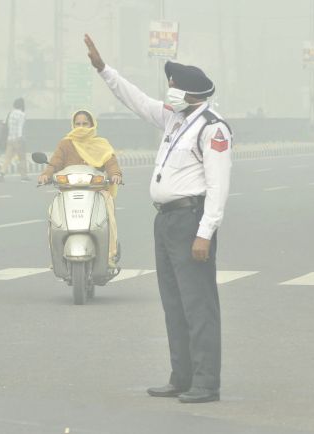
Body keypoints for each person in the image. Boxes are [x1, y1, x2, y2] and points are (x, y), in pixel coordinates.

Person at [85, 34, 232, 404]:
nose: (168, 92)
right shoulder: (175, 120)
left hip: (190, 221)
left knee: (198, 305)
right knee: (173, 303)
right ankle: (181, 377)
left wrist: (205, 232)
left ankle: (206, 383)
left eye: (173, 87)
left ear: (189, 92)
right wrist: (104, 71)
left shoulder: (212, 128)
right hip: (165, 221)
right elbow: (135, 99)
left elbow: (218, 186)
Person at [38, 109, 122, 268]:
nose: (81, 127)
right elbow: (55, 162)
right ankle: (56, 257)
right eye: (78, 124)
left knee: (108, 211)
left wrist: (115, 174)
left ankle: (110, 255)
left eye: (85, 124)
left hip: (96, 191)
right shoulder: (65, 143)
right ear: (72, 125)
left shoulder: (100, 144)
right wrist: (46, 174)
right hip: (69, 191)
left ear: (92, 125)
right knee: (53, 215)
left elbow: (111, 163)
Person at [0, 97, 29, 182]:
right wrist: (20, 138)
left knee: (7, 158)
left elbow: (4, 123)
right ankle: (23, 176)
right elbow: (20, 127)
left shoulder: (10, 113)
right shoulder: (22, 114)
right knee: (22, 158)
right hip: (17, 139)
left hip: (9, 139)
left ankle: (1, 173)